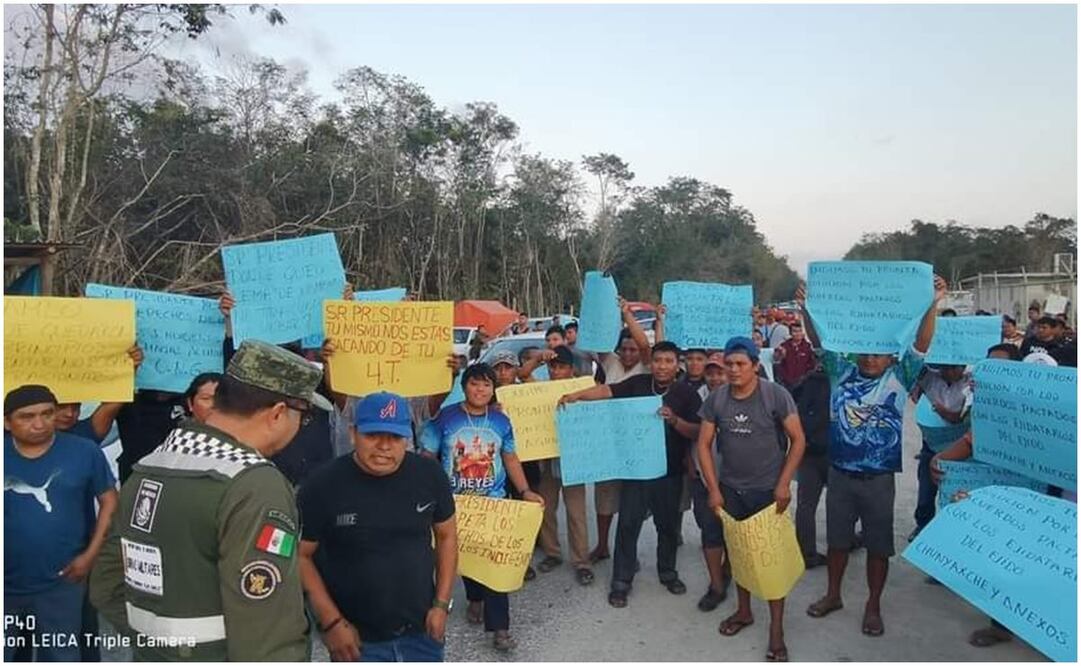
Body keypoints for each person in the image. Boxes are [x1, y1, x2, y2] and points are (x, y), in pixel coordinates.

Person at [90, 340, 328, 660]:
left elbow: (107, 585)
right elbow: (267, 627)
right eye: (305, 416)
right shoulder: (254, 485)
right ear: (277, 414)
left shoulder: (147, 468)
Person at [798, 274, 947, 638]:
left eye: (878, 352)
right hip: (840, 474)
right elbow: (818, 341)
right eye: (865, 350)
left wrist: (932, 303)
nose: (870, 357)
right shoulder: (840, 372)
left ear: (890, 356)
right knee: (836, 540)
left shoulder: (901, 376)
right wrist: (806, 306)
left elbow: (922, 344)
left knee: (879, 546)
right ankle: (832, 595)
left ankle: (873, 605)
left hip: (879, 478)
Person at [298, 393, 457, 662]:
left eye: (395, 437)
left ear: (407, 438)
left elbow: (447, 537)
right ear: (353, 433)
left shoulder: (430, 475)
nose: (385, 446)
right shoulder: (322, 485)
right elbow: (300, 555)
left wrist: (441, 605)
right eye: (373, 435)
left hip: (422, 635)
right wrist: (332, 623)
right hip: (356, 640)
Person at [559, 341, 701, 609]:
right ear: (653, 362)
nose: (662, 366)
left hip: (669, 473)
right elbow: (606, 390)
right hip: (636, 470)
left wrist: (674, 421)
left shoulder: (686, 394)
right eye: (658, 360)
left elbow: (697, 431)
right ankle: (621, 582)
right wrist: (577, 396)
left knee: (667, 528)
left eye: (668, 361)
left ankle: (668, 573)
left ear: (676, 365)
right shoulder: (637, 383)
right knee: (628, 525)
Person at [695, 338, 806, 662]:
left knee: (771, 562)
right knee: (740, 555)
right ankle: (744, 612)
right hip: (731, 490)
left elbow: (798, 440)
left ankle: (776, 629)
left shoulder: (775, 395)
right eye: (729, 364)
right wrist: (714, 489)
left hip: (769, 492)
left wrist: (784, 484)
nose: (733, 370)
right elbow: (704, 445)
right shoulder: (717, 400)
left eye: (740, 364)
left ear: (756, 365)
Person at [420, 364, 543, 652]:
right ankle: (474, 597)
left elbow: (510, 458)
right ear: (464, 387)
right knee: (465, 557)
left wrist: (525, 490)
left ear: (492, 389)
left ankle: (500, 628)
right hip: (454, 505)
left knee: (495, 561)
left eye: (486, 385)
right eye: (475, 384)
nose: (481, 390)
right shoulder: (444, 420)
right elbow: (427, 457)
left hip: (494, 503)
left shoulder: (501, 421)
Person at [4, 385, 119, 662]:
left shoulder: (84, 451)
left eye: (47, 414)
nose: (39, 423)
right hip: (5, 585)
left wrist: (89, 557)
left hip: (62, 580)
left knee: (60, 655)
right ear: (6, 422)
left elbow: (110, 502)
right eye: (27, 416)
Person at [219, 290, 340, 485]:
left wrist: (345, 312)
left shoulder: (316, 383)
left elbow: (339, 395)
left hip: (314, 483)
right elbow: (234, 372)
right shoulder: (250, 399)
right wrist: (232, 323)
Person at [588, 298, 659, 564]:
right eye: (624, 349)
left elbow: (644, 344)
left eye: (632, 349)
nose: (629, 354)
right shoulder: (610, 363)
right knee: (604, 497)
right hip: (609, 441)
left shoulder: (647, 366)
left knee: (633, 503)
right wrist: (602, 306)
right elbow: (596, 341)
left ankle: (628, 550)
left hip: (638, 444)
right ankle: (603, 545)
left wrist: (627, 315)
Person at [534, 345, 595, 586]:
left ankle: (581, 561)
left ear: (571, 369)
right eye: (553, 367)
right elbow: (523, 373)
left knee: (576, 512)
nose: (557, 371)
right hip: (548, 459)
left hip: (574, 459)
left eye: (562, 367)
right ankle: (552, 553)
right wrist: (540, 358)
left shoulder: (583, 388)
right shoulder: (539, 390)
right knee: (546, 508)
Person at [687, 351, 732, 612]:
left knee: (733, 532)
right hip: (704, 477)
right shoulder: (697, 397)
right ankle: (716, 586)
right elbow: (691, 438)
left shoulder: (743, 396)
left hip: (736, 478)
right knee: (709, 529)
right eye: (711, 372)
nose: (715, 378)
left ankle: (728, 571)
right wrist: (689, 462)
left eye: (720, 372)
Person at [908, 360, 970, 542]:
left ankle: (950, 532)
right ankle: (922, 526)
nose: (949, 372)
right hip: (932, 442)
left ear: (963, 367)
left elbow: (970, 414)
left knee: (956, 490)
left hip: (960, 446)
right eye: (945, 368)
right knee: (926, 489)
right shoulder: (930, 378)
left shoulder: (972, 383)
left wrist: (949, 415)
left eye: (954, 368)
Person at [792, 362, 832, 569]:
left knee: (806, 505)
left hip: (808, 450)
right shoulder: (846, 381)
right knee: (839, 505)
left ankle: (806, 553)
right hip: (835, 453)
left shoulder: (807, 380)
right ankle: (840, 546)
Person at [773, 321, 816, 389]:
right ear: (790, 333)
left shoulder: (808, 347)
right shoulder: (784, 346)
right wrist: (780, 354)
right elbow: (776, 360)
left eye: (800, 331)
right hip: (786, 384)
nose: (798, 334)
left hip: (803, 385)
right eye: (795, 331)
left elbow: (812, 365)